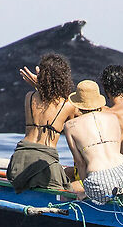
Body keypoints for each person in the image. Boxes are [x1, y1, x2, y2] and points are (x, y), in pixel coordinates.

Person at [62, 80, 123, 202]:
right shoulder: (113, 117)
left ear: (77, 104)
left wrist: (86, 191)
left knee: (66, 195)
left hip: (100, 179)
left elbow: (80, 163)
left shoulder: (70, 126)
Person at [6, 53, 78, 192]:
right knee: (69, 190)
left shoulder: (29, 97)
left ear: (41, 76)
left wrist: (40, 85)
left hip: (19, 159)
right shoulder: (68, 106)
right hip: (45, 162)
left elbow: (44, 98)